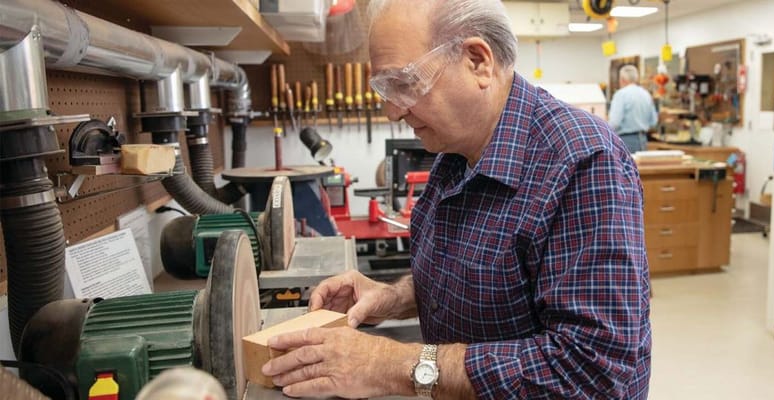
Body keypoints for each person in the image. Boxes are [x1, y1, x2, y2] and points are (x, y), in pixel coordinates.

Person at [260, 0, 651, 398]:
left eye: (405, 83)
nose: (393, 111)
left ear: (477, 61)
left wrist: (388, 364)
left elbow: (590, 373)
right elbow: (475, 278)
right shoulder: (454, 152)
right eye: (384, 89)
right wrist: (391, 298)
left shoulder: (583, 161)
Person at [608, 65, 659, 153]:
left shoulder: (621, 94)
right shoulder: (646, 94)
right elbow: (653, 121)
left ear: (622, 79)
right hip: (643, 140)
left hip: (626, 141)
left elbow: (615, 122)